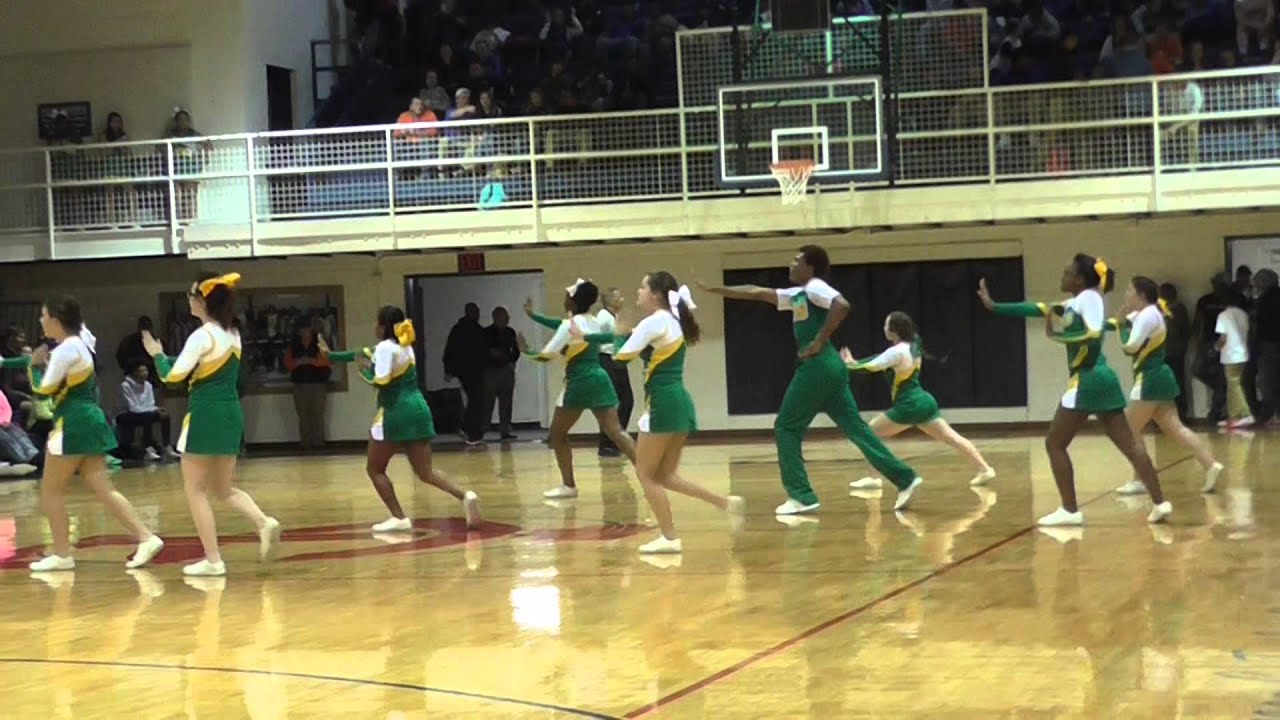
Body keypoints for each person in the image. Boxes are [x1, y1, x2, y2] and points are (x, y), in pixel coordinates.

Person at [700, 246, 924, 515]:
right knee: (857, 429)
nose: (791, 264)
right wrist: (717, 290)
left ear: (810, 267)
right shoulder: (798, 295)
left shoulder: (816, 286)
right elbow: (756, 292)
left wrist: (818, 340)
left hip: (817, 367)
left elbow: (841, 305)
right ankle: (905, 478)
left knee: (786, 428)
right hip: (831, 369)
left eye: (797, 260)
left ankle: (802, 495)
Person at [977, 254, 1170, 526]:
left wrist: (1058, 336)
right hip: (1104, 379)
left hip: (1086, 379)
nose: (1063, 275)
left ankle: (1070, 510)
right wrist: (996, 307)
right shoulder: (1080, 300)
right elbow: (1040, 309)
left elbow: (1092, 334)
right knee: (1129, 445)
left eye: (1067, 272)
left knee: (1054, 443)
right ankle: (1161, 503)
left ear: (1079, 279)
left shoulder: (1089, 298)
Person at [573, 273, 743, 553]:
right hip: (679, 403)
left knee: (646, 475)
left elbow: (620, 358)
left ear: (655, 294)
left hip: (662, 404)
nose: (637, 292)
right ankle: (725, 503)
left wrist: (618, 337)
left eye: (642, 287)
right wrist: (595, 336)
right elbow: (630, 338)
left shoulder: (653, 322)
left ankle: (670, 537)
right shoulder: (671, 320)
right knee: (665, 476)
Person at [143, 273, 281, 577]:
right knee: (224, 488)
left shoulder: (201, 336)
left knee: (195, 490)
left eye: (191, 294)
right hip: (231, 414)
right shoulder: (233, 334)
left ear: (202, 301)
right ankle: (263, 522)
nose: (188, 299)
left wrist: (157, 355)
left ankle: (214, 560)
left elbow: (172, 378)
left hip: (205, 415)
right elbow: (205, 366)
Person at [15, 297, 163, 572]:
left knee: (50, 491)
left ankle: (62, 554)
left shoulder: (66, 349)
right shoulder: (80, 342)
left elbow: (43, 390)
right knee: (103, 488)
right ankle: (146, 537)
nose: (41, 320)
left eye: (44, 316)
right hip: (89, 418)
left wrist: (33, 366)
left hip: (74, 422)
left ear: (56, 320)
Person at [318, 306, 481, 532]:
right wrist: (332, 355)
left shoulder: (385, 348)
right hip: (418, 410)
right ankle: (465, 496)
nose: (374, 326)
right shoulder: (404, 346)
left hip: (395, 411)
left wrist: (365, 372)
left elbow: (381, 381)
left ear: (383, 326)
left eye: (376, 322)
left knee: (375, 469)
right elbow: (360, 352)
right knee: (426, 472)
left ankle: (399, 517)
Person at [841, 312, 996, 489]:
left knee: (869, 435)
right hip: (925, 402)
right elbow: (880, 358)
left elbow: (870, 366)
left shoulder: (897, 351)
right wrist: (855, 362)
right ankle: (985, 469)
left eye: (886, 325)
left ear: (893, 330)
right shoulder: (914, 343)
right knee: (953, 438)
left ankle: (874, 477)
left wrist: (849, 364)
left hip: (909, 405)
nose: (884, 328)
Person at [523, 280, 637, 499]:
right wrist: (533, 316)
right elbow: (561, 325)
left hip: (578, 381)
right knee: (617, 432)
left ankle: (569, 486)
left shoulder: (570, 325)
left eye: (567, 296)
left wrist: (526, 351)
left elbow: (546, 355)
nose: (564, 299)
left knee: (557, 435)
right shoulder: (594, 321)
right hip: (600, 378)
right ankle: (648, 475)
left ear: (572, 302)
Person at [1110, 276, 1224, 495]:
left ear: (1141, 295)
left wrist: (1120, 326)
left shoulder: (1147, 315)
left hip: (1150, 378)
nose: (1126, 294)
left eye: (1129, 290)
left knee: (1129, 430)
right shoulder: (1150, 313)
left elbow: (1130, 347)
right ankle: (1210, 464)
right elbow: (1130, 322)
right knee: (1176, 429)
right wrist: (1120, 321)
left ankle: (1141, 479)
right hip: (1160, 376)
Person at [595, 288, 633, 458]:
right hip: (607, 360)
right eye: (619, 296)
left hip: (616, 359)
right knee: (615, 403)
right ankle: (608, 443)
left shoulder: (613, 317)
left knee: (626, 401)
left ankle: (615, 440)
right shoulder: (603, 317)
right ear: (610, 300)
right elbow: (595, 337)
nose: (622, 299)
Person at [443, 303, 488, 446]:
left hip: (464, 371)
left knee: (474, 399)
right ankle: (471, 430)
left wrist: (449, 370)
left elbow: (449, 350)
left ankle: (469, 428)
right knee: (476, 400)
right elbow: (483, 351)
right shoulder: (477, 330)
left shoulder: (458, 330)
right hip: (473, 371)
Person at [117, 361, 178, 461]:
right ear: (134, 372)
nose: (145, 373)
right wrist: (153, 410)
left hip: (145, 412)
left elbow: (150, 403)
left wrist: (157, 409)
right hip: (125, 414)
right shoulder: (125, 386)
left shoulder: (148, 385)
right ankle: (148, 448)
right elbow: (132, 407)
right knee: (148, 416)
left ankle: (166, 446)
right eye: (141, 371)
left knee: (165, 415)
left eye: (146, 370)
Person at [285, 324, 332, 451]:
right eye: (302, 329)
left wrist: (312, 361)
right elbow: (288, 364)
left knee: (318, 414)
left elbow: (328, 360)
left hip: (318, 384)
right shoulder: (294, 346)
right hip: (299, 384)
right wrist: (299, 361)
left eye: (307, 329)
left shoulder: (319, 344)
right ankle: (305, 443)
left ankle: (319, 442)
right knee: (303, 415)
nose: (305, 331)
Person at [1192, 273, 1231, 422]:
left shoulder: (1233, 300)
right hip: (1207, 341)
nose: (1217, 287)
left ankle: (1215, 412)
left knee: (1222, 378)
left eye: (1221, 284)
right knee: (1197, 370)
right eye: (1215, 283)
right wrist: (1197, 342)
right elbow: (1198, 322)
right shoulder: (1205, 300)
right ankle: (1225, 393)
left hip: (1226, 344)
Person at [1216, 288, 1253, 429]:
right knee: (1233, 385)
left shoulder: (1223, 315)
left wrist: (1215, 348)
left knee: (1234, 384)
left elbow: (1223, 338)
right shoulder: (1243, 314)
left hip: (1230, 355)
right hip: (1242, 353)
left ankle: (1245, 414)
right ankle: (1234, 416)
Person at [482, 306, 519, 441]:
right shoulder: (486, 333)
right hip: (491, 371)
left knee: (506, 402)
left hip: (506, 370)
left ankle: (505, 429)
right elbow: (484, 351)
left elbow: (515, 350)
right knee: (487, 402)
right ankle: (483, 429)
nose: (508, 318)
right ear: (496, 317)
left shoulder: (510, 332)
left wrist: (512, 361)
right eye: (505, 316)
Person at [1158, 283, 1191, 420]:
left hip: (1175, 353)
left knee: (1177, 383)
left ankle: (1180, 414)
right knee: (1162, 385)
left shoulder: (1179, 310)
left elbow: (1186, 331)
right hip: (1160, 353)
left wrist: (1182, 347)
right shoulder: (1157, 310)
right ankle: (1162, 416)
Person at [1254, 269, 1280, 422]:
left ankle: (1270, 413)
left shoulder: (1264, 301)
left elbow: (1260, 325)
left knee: (1268, 381)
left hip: (1269, 344)